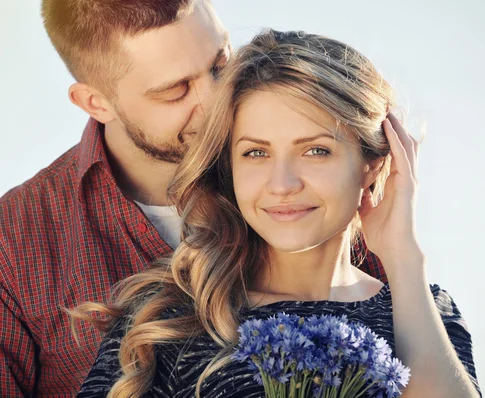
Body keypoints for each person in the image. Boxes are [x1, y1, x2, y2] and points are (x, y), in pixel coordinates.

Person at [0, 1, 385, 395]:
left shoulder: (303, 187)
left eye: (220, 64)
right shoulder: (13, 241)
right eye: (175, 90)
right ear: (95, 102)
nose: (217, 99)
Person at [75, 29, 482, 398]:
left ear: (374, 162)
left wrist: (404, 257)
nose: (282, 184)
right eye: (256, 153)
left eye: (316, 150)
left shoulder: (426, 311)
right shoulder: (168, 321)